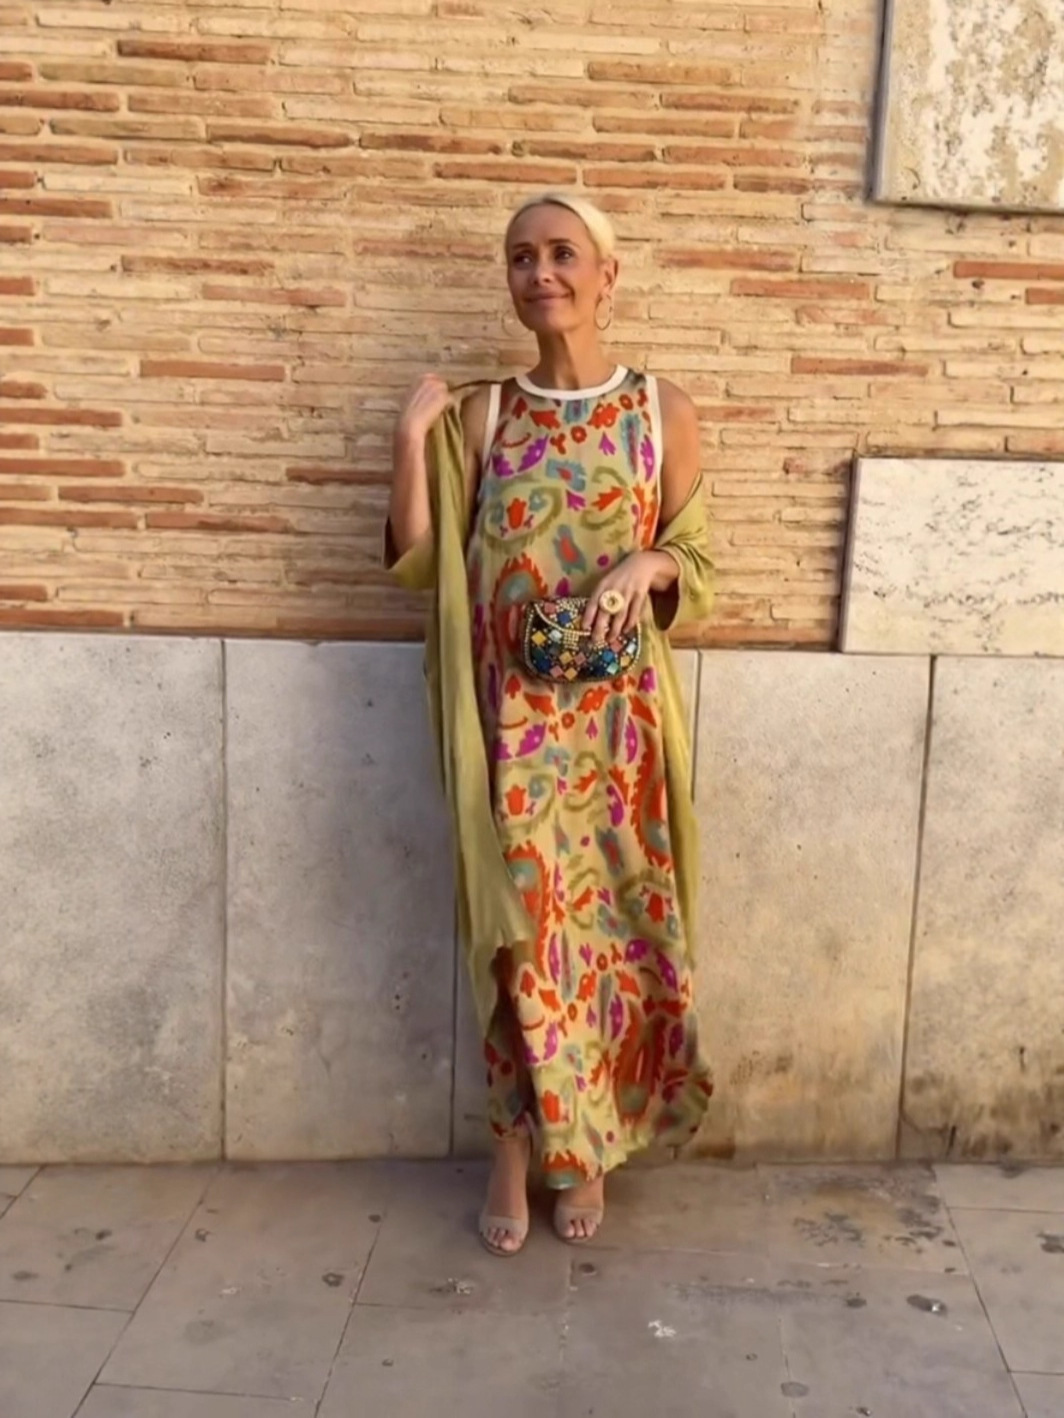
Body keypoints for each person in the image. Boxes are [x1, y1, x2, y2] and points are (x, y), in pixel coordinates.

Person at [386, 192, 714, 1255]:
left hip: (617, 738)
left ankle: (591, 1150)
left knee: (614, 940)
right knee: (517, 943)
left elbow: (700, 561)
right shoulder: (486, 416)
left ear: (606, 276)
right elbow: (422, 561)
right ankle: (513, 1149)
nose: (541, 274)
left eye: (563, 253)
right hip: (514, 733)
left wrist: (650, 559)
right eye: (521, 256)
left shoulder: (660, 409)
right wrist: (409, 442)